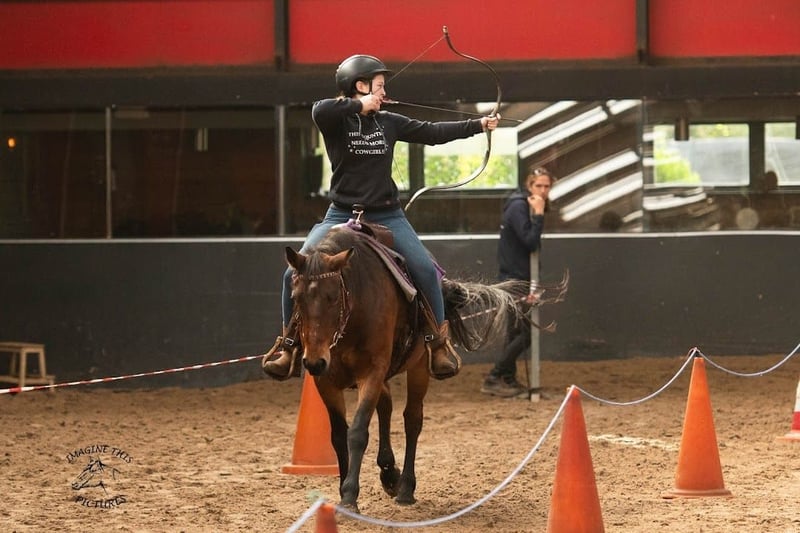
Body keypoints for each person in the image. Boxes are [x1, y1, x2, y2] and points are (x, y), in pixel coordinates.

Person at [262, 54, 500, 381]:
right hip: (340, 212)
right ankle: (288, 347)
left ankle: (438, 344)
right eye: (378, 85)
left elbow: (432, 132)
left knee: (425, 270)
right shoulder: (336, 120)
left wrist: (478, 125)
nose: (384, 92)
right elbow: (320, 109)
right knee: (293, 273)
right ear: (360, 85)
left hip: (387, 214)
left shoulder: (388, 121)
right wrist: (360, 105)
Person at [481, 166, 555, 398]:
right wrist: (539, 215)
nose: (543, 191)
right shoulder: (519, 207)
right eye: (538, 186)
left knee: (515, 333)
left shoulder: (523, 205)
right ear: (529, 185)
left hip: (520, 276)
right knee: (525, 334)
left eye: (546, 186)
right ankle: (494, 376)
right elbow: (530, 241)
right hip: (515, 278)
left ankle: (507, 378)